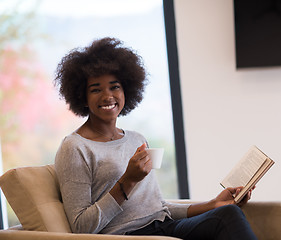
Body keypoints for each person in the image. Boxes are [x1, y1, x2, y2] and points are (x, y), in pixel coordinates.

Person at [54, 37, 257, 240]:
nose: (108, 96)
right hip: (129, 235)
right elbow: (81, 227)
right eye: (96, 89)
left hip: (164, 227)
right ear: (82, 96)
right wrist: (127, 181)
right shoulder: (75, 147)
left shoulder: (136, 139)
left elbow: (156, 208)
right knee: (226, 218)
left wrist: (213, 204)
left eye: (114, 87)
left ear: (126, 90)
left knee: (227, 213)